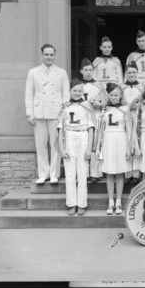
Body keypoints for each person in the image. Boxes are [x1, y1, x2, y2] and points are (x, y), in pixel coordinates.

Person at [25, 43, 70, 184]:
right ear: (42, 55)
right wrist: (29, 113)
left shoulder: (61, 72)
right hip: (39, 112)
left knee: (55, 144)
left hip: (56, 112)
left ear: (55, 56)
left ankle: (54, 174)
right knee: (41, 144)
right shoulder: (33, 72)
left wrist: (64, 112)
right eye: (46, 54)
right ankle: (43, 174)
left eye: (51, 54)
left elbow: (66, 94)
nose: (49, 57)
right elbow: (29, 93)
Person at [57, 79, 95, 216]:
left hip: (83, 136)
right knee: (70, 173)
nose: (77, 93)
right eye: (75, 90)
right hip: (69, 137)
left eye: (80, 91)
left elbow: (91, 128)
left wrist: (90, 147)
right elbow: (60, 128)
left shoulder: (87, 106)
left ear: (82, 92)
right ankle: (72, 203)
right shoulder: (65, 107)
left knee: (82, 173)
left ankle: (82, 203)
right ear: (70, 92)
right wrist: (61, 148)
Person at [94, 83, 133, 215]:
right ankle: (111, 202)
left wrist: (129, 147)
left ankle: (118, 201)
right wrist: (98, 147)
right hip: (108, 140)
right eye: (111, 95)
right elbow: (100, 129)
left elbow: (129, 130)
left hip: (121, 139)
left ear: (121, 95)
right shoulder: (105, 109)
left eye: (116, 95)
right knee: (110, 173)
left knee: (120, 172)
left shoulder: (125, 109)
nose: (114, 97)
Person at [80, 58, 107, 184]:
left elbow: (106, 102)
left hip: (95, 115)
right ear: (81, 71)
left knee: (95, 143)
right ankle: (83, 172)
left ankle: (95, 173)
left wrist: (98, 104)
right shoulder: (76, 85)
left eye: (90, 70)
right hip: (81, 116)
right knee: (84, 143)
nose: (88, 72)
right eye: (86, 70)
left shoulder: (99, 85)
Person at [120, 61, 145, 186]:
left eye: (134, 72)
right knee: (126, 143)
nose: (131, 75)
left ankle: (136, 173)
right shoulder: (121, 86)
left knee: (136, 143)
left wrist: (138, 106)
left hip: (137, 116)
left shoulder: (142, 87)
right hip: (125, 116)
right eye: (129, 72)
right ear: (126, 73)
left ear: (137, 73)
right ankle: (126, 172)